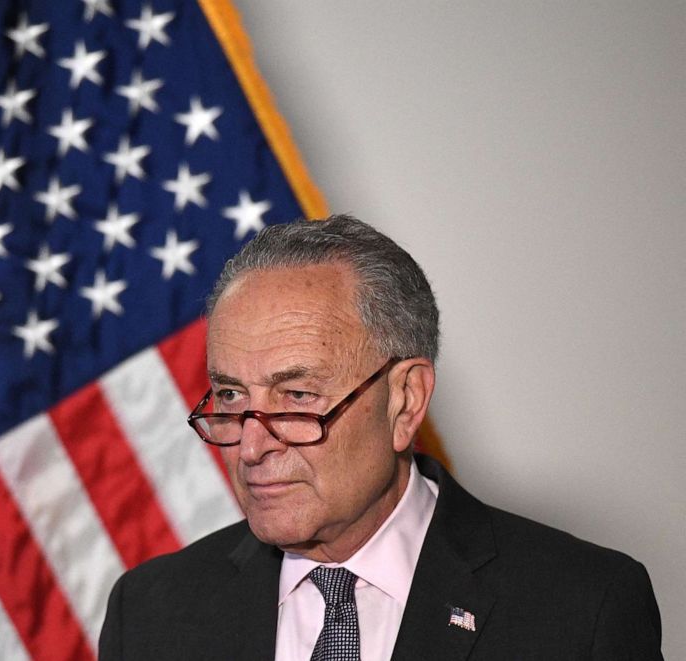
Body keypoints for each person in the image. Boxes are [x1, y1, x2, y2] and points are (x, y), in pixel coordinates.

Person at [99, 215, 662, 660]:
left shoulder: (583, 607)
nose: (251, 448)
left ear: (406, 400)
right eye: (229, 397)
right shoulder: (150, 613)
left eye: (297, 398)